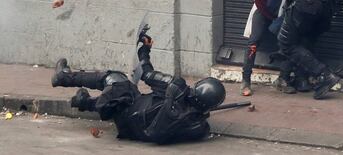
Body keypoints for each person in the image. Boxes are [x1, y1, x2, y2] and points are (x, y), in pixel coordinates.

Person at [51, 35, 226, 144]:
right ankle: (84, 102)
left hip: (128, 110)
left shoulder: (175, 87)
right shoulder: (199, 127)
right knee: (126, 94)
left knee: (116, 80)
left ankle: (63, 77)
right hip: (130, 130)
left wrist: (145, 50)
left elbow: (146, 73)